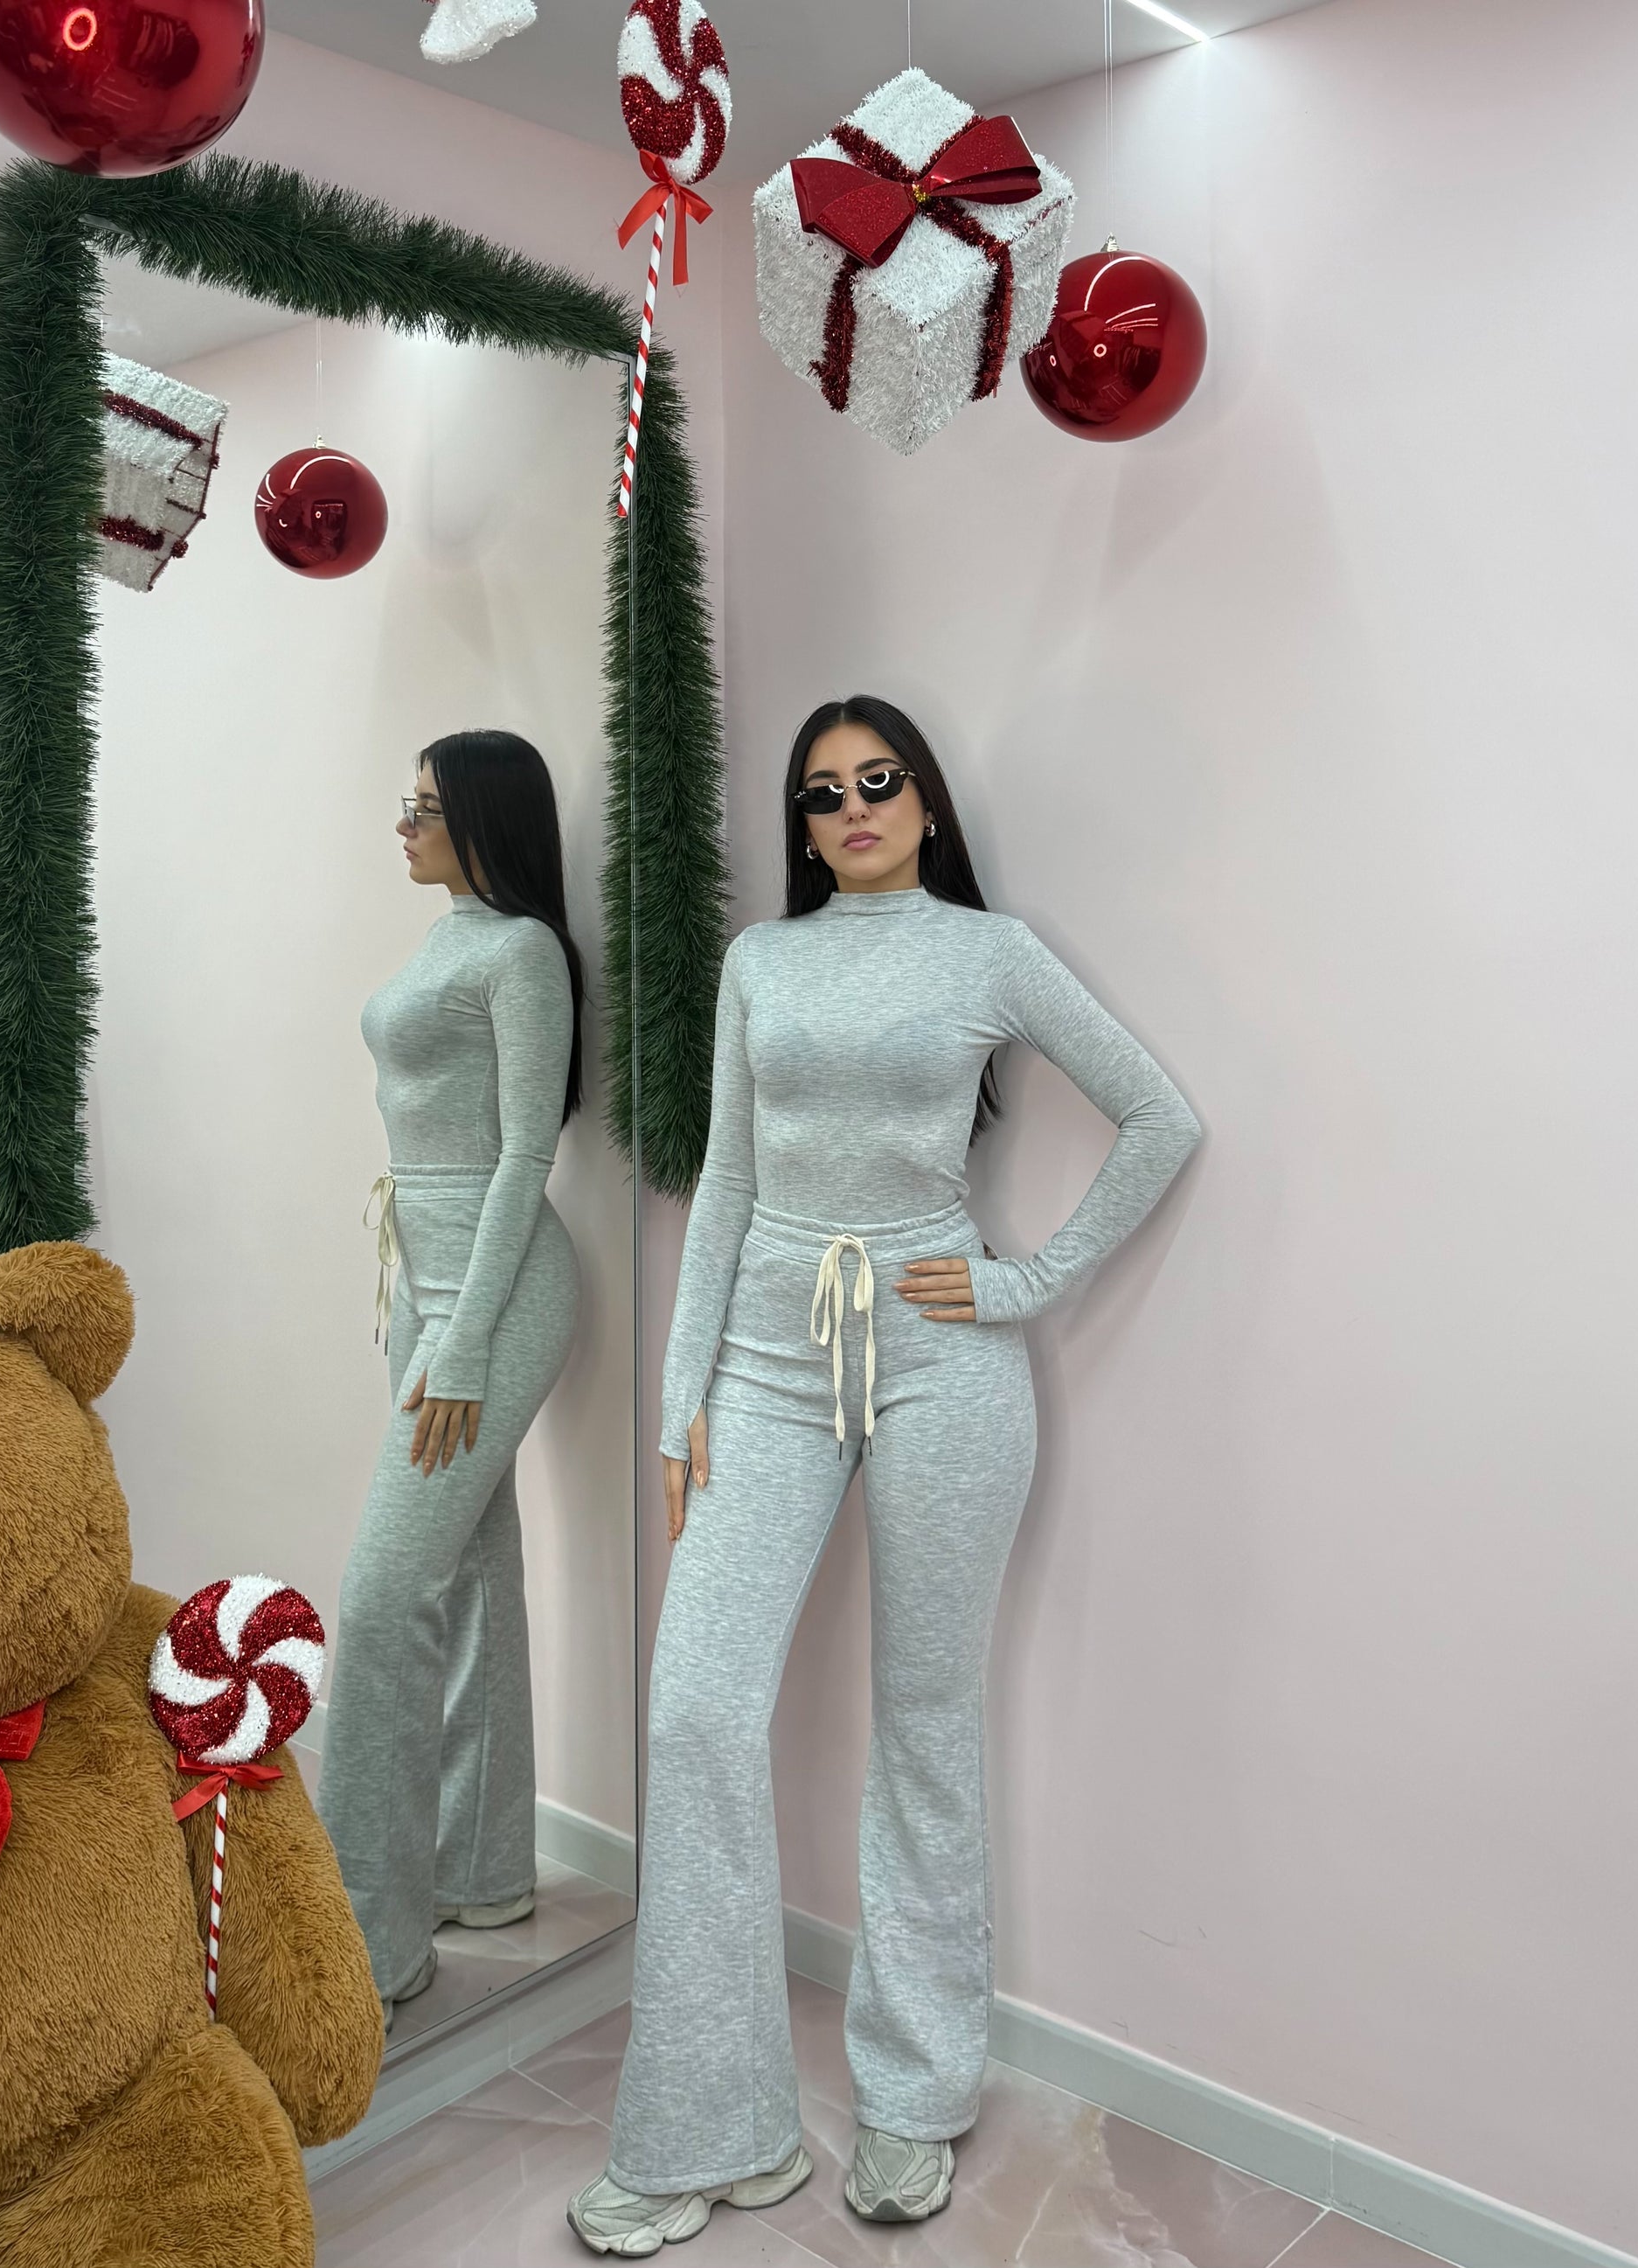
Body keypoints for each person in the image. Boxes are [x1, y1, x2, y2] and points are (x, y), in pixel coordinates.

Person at [567, 696, 1201, 2254]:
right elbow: (726, 1182)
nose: (851, 806)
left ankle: (915, 2095)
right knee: (695, 1710)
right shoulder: (761, 962)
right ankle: (712, 2126)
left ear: (922, 803)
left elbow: (1159, 1115)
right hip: (768, 1365)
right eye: (821, 792)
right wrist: (680, 1401)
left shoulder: (988, 951)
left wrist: (1020, 1282)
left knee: (924, 1723)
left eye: (878, 780)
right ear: (801, 824)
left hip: (938, 1363)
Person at [318, 728, 584, 2028]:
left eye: (425, 805)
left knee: (382, 1597)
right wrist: (425, 1317)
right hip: (420, 1278)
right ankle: (479, 1871)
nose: (405, 824)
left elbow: (527, 1150)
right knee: (471, 1565)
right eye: (406, 801)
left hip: (498, 1287)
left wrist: (465, 1340)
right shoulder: (445, 940)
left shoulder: (521, 951)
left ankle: (364, 1941)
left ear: (485, 814)